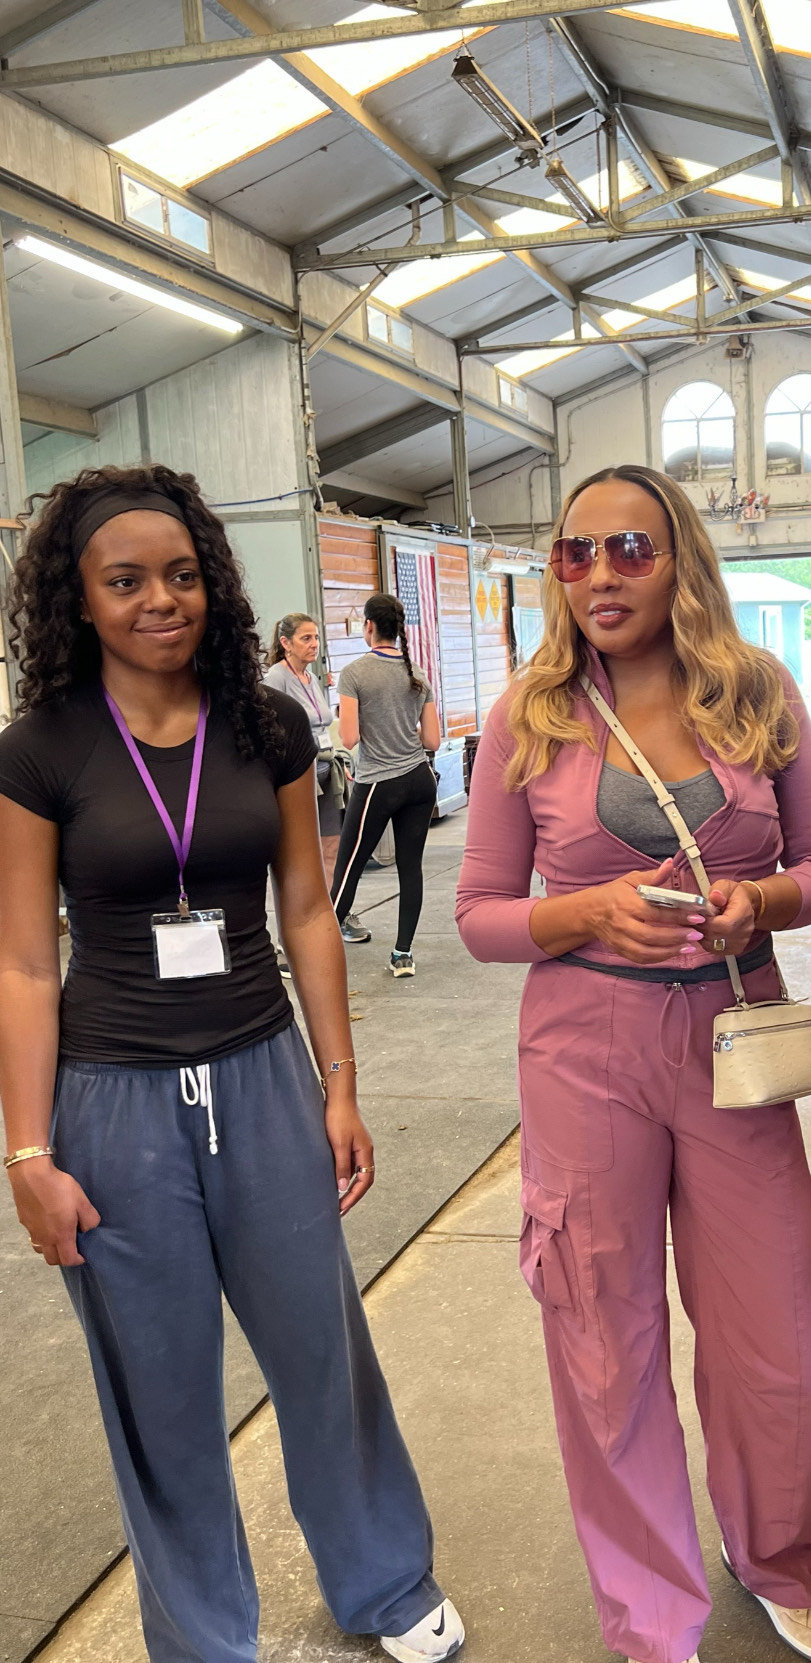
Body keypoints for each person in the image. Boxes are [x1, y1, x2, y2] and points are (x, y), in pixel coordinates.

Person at [0, 465, 464, 1663]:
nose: (163, 599)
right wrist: (28, 1151)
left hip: (262, 1078)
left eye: (183, 574)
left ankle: (386, 1581)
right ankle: (204, 1639)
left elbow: (308, 905)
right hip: (112, 1105)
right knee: (159, 1399)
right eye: (126, 580)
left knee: (323, 1352)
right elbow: (21, 967)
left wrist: (341, 1079)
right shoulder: (39, 749)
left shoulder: (268, 725)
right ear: (79, 598)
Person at [455, 463, 811, 1663]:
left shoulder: (758, 693)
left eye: (630, 548)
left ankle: (774, 1553)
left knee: (781, 1342)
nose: (600, 576)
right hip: (585, 1053)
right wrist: (581, 915)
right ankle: (649, 1616)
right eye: (575, 555)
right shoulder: (528, 715)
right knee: (603, 1339)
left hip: (734, 1038)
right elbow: (480, 913)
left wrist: (763, 900)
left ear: (680, 554)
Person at [330, 593, 440, 978]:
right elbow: (432, 742)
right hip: (419, 780)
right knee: (411, 868)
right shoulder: (418, 673)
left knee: (349, 868)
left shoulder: (355, 673)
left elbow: (347, 738)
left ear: (369, 626)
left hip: (378, 781)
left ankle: (318, 954)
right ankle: (402, 955)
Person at [264, 611, 341, 885]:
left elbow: (323, 725)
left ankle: (336, 913)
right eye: (306, 638)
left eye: (316, 637)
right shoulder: (276, 677)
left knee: (332, 845)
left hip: (326, 769)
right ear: (286, 643)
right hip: (299, 772)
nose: (314, 644)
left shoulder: (312, 678)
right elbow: (268, 730)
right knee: (302, 852)